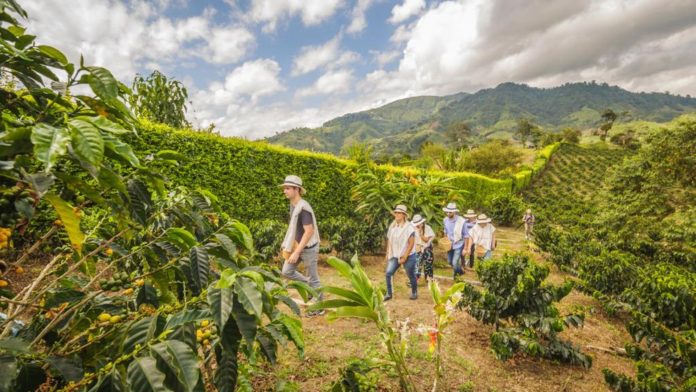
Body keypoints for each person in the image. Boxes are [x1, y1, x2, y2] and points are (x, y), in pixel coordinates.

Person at [279, 175, 324, 316]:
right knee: (286, 271)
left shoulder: (303, 208)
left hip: (308, 248)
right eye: (284, 188)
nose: (284, 191)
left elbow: (309, 231)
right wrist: (290, 246)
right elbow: (295, 228)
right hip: (298, 246)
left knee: (314, 278)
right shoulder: (293, 205)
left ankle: (319, 307)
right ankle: (310, 287)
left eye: (287, 188)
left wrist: (296, 252)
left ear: (296, 189)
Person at [384, 205, 418, 301]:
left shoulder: (409, 227)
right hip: (395, 254)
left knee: (410, 274)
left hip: (409, 255)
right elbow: (389, 240)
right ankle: (389, 293)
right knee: (388, 273)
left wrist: (405, 257)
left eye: (399, 213)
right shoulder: (392, 226)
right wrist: (387, 253)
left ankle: (414, 292)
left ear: (404, 215)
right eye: (396, 213)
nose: (397, 214)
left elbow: (411, 243)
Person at [442, 202, 468, 279]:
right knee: (450, 262)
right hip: (449, 244)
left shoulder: (461, 221)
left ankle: (456, 276)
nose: (448, 213)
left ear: (454, 212)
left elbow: (466, 235)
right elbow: (445, 231)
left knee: (454, 262)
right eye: (447, 212)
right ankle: (460, 271)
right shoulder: (445, 220)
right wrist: (445, 241)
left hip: (458, 244)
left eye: (450, 212)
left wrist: (465, 248)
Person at [412, 214, 435, 283]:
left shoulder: (427, 228)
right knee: (417, 262)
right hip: (417, 247)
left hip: (426, 247)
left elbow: (426, 240)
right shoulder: (412, 228)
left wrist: (420, 234)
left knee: (428, 260)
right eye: (416, 224)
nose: (417, 225)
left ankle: (429, 277)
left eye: (419, 223)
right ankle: (415, 278)